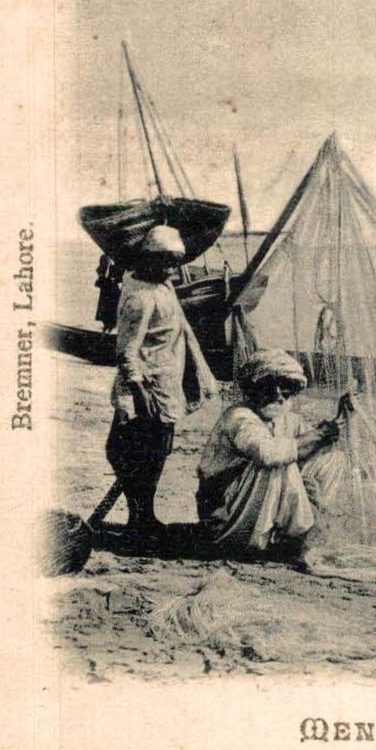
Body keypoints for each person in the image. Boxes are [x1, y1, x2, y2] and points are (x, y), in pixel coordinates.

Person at [99, 225, 217, 533]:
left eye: (175, 262)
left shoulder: (162, 286)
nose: (172, 268)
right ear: (148, 259)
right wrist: (138, 390)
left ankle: (143, 515)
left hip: (165, 385)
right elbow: (125, 351)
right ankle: (140, 516)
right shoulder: (141, 297)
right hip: (147, 389)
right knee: (129, 452)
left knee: (155, 452)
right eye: (165, 261)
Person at [195, 350, 345, 553]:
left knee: (332, 458)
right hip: (226, 518)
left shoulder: (287, 419)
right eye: (267, 387)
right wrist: (320, 434)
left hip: (259, 514)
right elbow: (267, 453)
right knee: (278, 459)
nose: (277, 395)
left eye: (284, 388)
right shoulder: (239, 417)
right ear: (251, 390)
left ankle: (290, 533)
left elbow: (316, 446)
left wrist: (341, 420)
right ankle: (294, 536)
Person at [93, 254, 124, 332]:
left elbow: (121, 275)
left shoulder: (117, 261)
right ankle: (106, 325)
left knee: (112, 307)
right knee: (105, 307)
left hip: (113, 289)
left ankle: (111, 326)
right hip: (106, 289)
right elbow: (99, 270)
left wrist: (115, 279)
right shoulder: (104, 258)